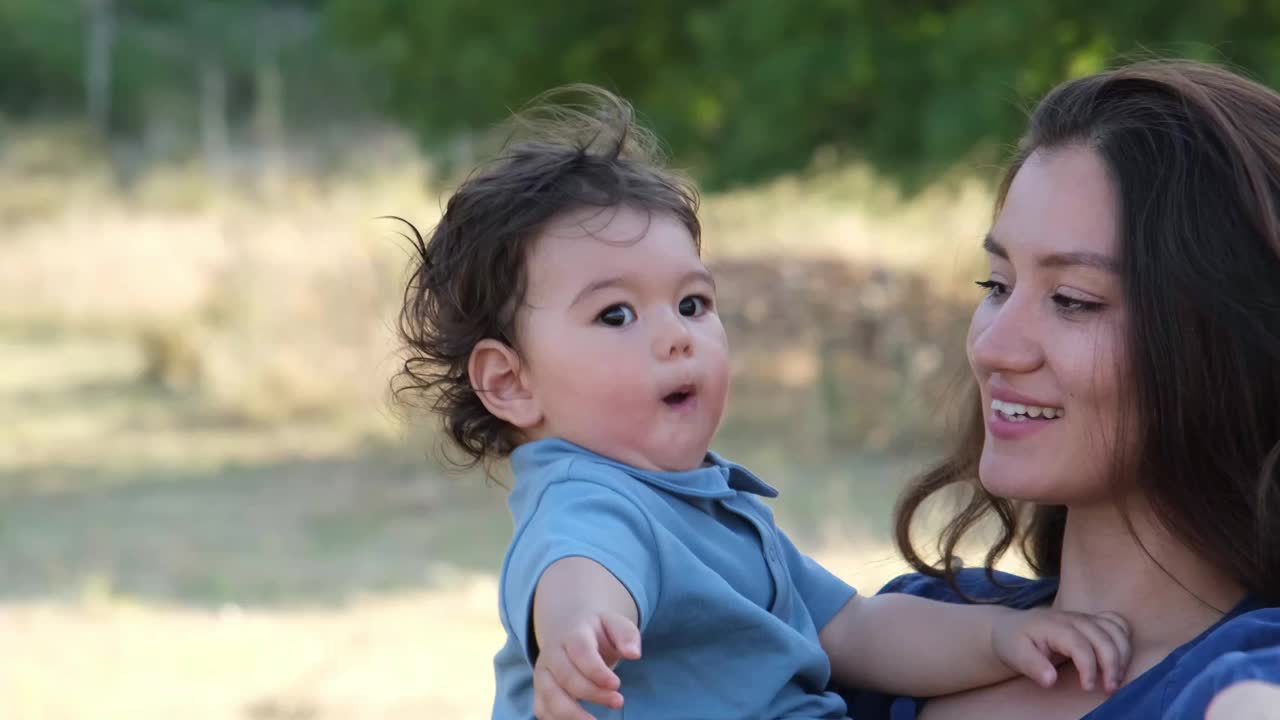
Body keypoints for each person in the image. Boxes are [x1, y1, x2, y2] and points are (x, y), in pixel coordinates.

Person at [392, 85, 1133, 720]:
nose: (676, 338)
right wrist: (580, 632)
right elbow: (583, 571)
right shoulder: (591, 501)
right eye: (616, 315)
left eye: (691, 303)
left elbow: (856, 631)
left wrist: (1001, 639)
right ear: (509, 382)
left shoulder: (708, 506)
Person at [845, 59, 1280, 720]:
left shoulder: (1250, 683)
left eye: (1072, 300)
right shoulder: (899, 634)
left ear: (1227, 343)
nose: (992, 347)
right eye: (996, 285)